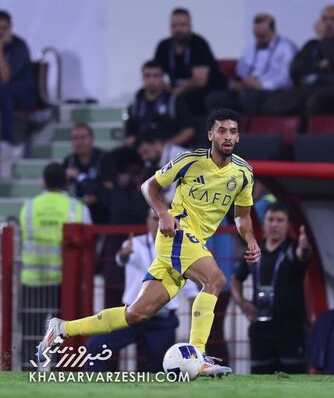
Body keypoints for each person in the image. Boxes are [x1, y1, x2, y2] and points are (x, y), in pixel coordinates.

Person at [38, 109, 261, 377]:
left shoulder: (243, 172)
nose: (228, 136)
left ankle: (61, 329)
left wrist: (249, 238)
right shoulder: (189, 160)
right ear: (210, 134)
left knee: (137, 314)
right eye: (222, 130)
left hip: (194, 243)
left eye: (233, 131)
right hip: (176, 234)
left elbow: (242, 215)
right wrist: (163, 213)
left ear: (237, 137)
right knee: (216, 280)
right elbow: (149, 186)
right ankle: (198, 356)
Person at [85, 209, 191, 372]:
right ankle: (94, 392)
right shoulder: (135, 244)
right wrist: (124, 253)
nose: (158, 222)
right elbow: (121, 259)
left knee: (162, 369)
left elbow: (191, 290)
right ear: (147, 221)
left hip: (161, 320)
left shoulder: (181, 251)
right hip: (131, 316)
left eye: (162, 218)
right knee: (95, 346)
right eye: (154, 218)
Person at [20, 163, 90, 370]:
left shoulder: (29, 207)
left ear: (44, 182)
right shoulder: (77, 208)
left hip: (33, 281)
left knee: (31, 334)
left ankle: (28, 371)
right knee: (63, 332)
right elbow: (89, 242)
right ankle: (63, 370)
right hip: (65, 283)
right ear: (66, 182)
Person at [231, 201, 311, 374]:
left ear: (288, 224)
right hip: (261, 330)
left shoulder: (292, 248)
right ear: (264, 222)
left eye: (280, 220)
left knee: (294, 381)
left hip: (290, 330)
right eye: (271, 219)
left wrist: (304, 248)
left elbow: (301, 256)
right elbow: (235, 280)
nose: (274, 224)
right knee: (260, 381)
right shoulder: (254, 250)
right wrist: (242, 303)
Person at [265, 5, 334, 116]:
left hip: (333, 90)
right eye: (325, 19)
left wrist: (323, 39)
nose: (328, 23)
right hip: (307, 88)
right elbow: (295, 68)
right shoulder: (311, 45)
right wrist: (318, 66)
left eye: (333, 19)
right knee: (272, 104)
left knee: (313, 103)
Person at [206, 13, 297, 115]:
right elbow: (240, 72)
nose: (259, 38)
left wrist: (260, 84)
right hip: (247, 89)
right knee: (214, 98)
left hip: (272, 91)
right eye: (257, 35)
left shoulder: (286, 47)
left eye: (263, 35)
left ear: (273, 31)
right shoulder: (250, 49)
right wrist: (239, 83)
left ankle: (246, 129)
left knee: (247, 97)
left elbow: (285, 78)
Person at [153, 8, 226, 116]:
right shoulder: (163, 46)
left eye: (182, 25)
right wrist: (167, 89)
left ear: (190, 27)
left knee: (191, 99)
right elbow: (156, 73)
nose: (178, 29)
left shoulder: (199, 44)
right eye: (175, 26)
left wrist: (177, 92)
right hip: (174, 90)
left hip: (202, 91)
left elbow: (200, 80)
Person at [124, 60, 195, 148]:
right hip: (142, 150)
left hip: (167, 150)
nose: (151, 80)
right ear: (142, 78)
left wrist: (167, 144)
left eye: (156, 76)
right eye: (147, 76)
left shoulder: (174, 101)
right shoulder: (135, 103)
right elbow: (129, 135)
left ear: (162, 78)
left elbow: (189, 130)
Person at [0, 10, 37, 151]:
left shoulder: (19, 46)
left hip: (25, 94)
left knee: (3, 88)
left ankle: (6, 142)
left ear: (10, 28)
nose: (1, 33)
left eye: (4, 29)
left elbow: (6, 77)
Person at [62, 123, 108, 224]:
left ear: (92, 139)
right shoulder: (68, 161)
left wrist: (96, 197)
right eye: (75, 138)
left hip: (102, 213)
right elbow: (61, 189)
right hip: (76, 213)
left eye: (83, 137)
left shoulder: (104, 159)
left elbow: (109, 188)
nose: (79, 142)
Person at [135, 131, 187, 204]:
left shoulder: (178, 155)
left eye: (146, 151)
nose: (144, 158)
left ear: (157, 144)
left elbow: (173, 197)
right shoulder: (153, 163)